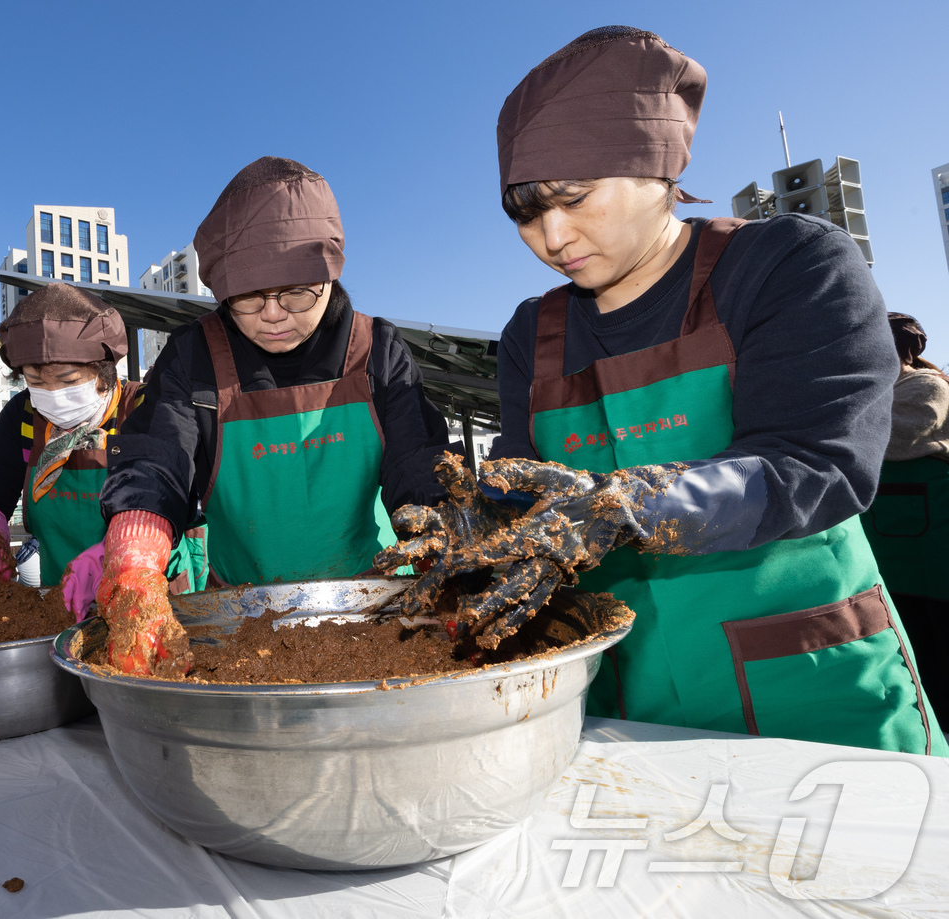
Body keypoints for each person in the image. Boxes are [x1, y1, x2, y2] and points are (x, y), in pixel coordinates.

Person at [381, 26, 944, 755]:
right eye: (524, 211)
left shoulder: (788, 267)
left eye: (575, 197)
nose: (552, 235)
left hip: (815, 695)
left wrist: (626, 507)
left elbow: (817, 461)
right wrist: (480, 535)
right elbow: (526, 496)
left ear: (657, 165)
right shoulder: (533, 334)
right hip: (623, 705)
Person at [97, 156, 454, 673]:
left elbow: (419, 464)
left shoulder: (377, 350)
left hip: (373, 611)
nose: (271, 315)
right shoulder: (193, 356)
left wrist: (441, 551)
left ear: (329, 274)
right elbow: (157, 458)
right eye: (246, 298)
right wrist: (135, 553)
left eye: (295, 293)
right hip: (238, 621)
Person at [0, 283, 206, 609]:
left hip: (154, 593)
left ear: (104, 372)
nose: (52, 394)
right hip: (63, 601)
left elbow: (187, 498)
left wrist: (122, 551)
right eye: (35, 381)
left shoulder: (147, 408)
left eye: (67, 380)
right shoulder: (22, 417)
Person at [861, 313, 949, 728]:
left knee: (943, 626)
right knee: (907, 632)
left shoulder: (927, 386)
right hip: (890, 534)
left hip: (937, 529)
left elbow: (892, 440)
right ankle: (927, 721)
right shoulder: (871, 392)